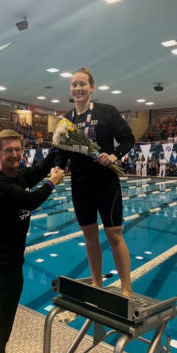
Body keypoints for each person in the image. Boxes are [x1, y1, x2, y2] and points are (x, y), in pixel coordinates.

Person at [0, 129, 64, 353]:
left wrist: (61, 144)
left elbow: (42, 167)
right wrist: (52, 183)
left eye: (17, 150)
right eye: (8, 150)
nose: (14, 154)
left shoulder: (19, 176)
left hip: (13, 266)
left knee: (2, 331)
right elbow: (29, 201)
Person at [55, 66, 135, 296]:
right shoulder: (66, 120)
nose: (78, 88)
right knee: (90, 236)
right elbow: (61, 152)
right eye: (74, 85)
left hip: (106, 182)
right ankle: (97, 285)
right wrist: (58, 168)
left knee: (114, 233)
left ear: (92, 87)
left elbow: (128, 139)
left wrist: (114, 156)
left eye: (82, 84)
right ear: (70, 89)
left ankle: (126, 289)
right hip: (80, 185)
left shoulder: (106, 111)